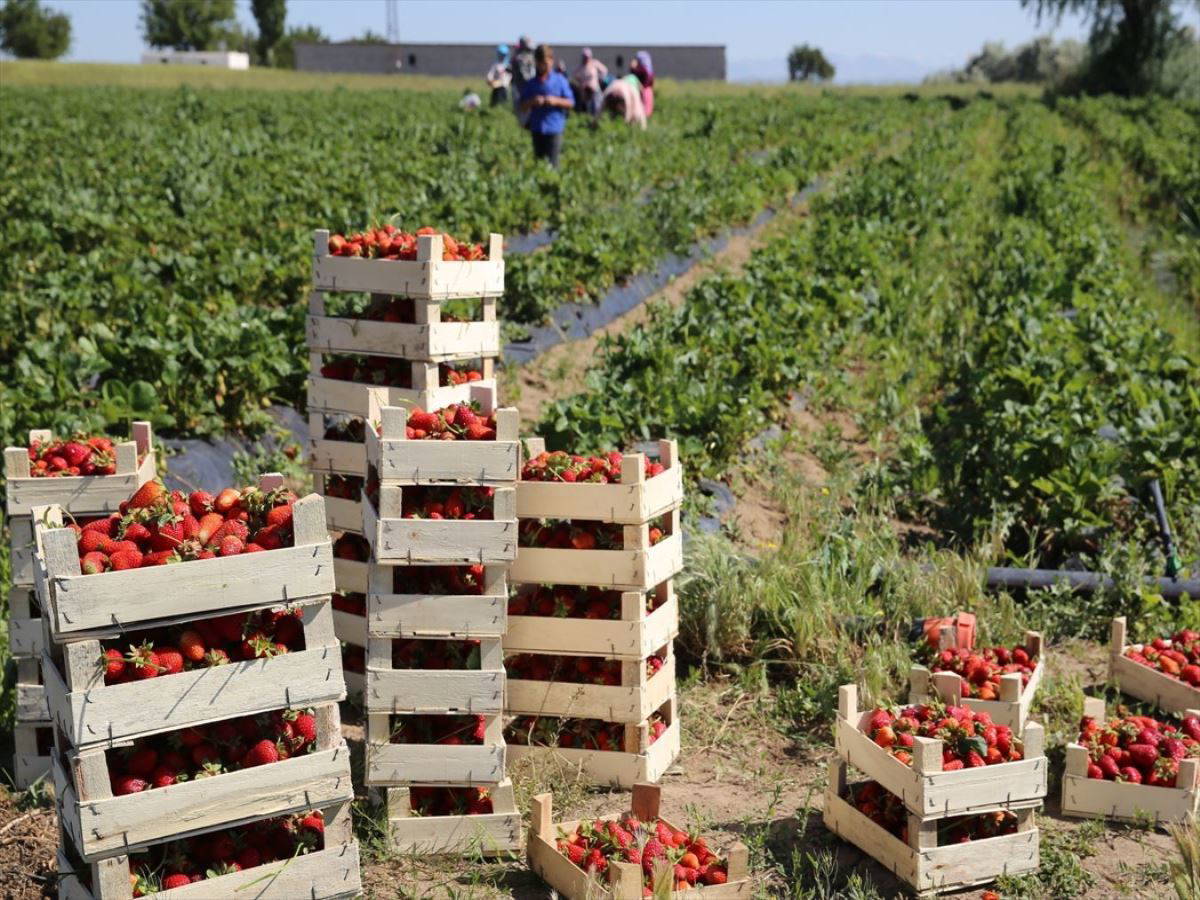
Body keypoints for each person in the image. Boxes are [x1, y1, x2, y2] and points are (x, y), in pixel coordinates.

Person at [520, 43, 575, 168]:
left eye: (547, 63)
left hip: (554, 128)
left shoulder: (560, 80)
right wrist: (533, 101)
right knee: (539, 164)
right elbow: (522, 106)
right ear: (536, 63)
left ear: (552, 61)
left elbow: (571, 102)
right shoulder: (531, 84)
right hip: (537, 128)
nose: (545, 66)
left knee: (553, 165)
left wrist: (554, 101)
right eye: (542, 64)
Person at [572, 47, 608, 117]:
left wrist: (600, 79)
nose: (586, 58)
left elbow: (604, 71)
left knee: (597, 107)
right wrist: (579, 83)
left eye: (588, 57)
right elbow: (574, 76)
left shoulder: (594, 63)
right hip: (585, 93)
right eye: (585, 57)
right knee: (587, 110)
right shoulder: (580, 67)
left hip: (595, 90)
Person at [509, 36, 536, 123]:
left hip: (525, 89)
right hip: (521, 89)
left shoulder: (528, 58)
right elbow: (525, 76)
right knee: (522, 114)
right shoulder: (520, 59)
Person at [630, 50, 655, 118]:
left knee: (642, 111)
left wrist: (632, 68)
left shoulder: (641, 69)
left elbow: (633, 76)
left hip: (642, 91)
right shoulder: (650, 70)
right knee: (647, 110)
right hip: (649, 92)